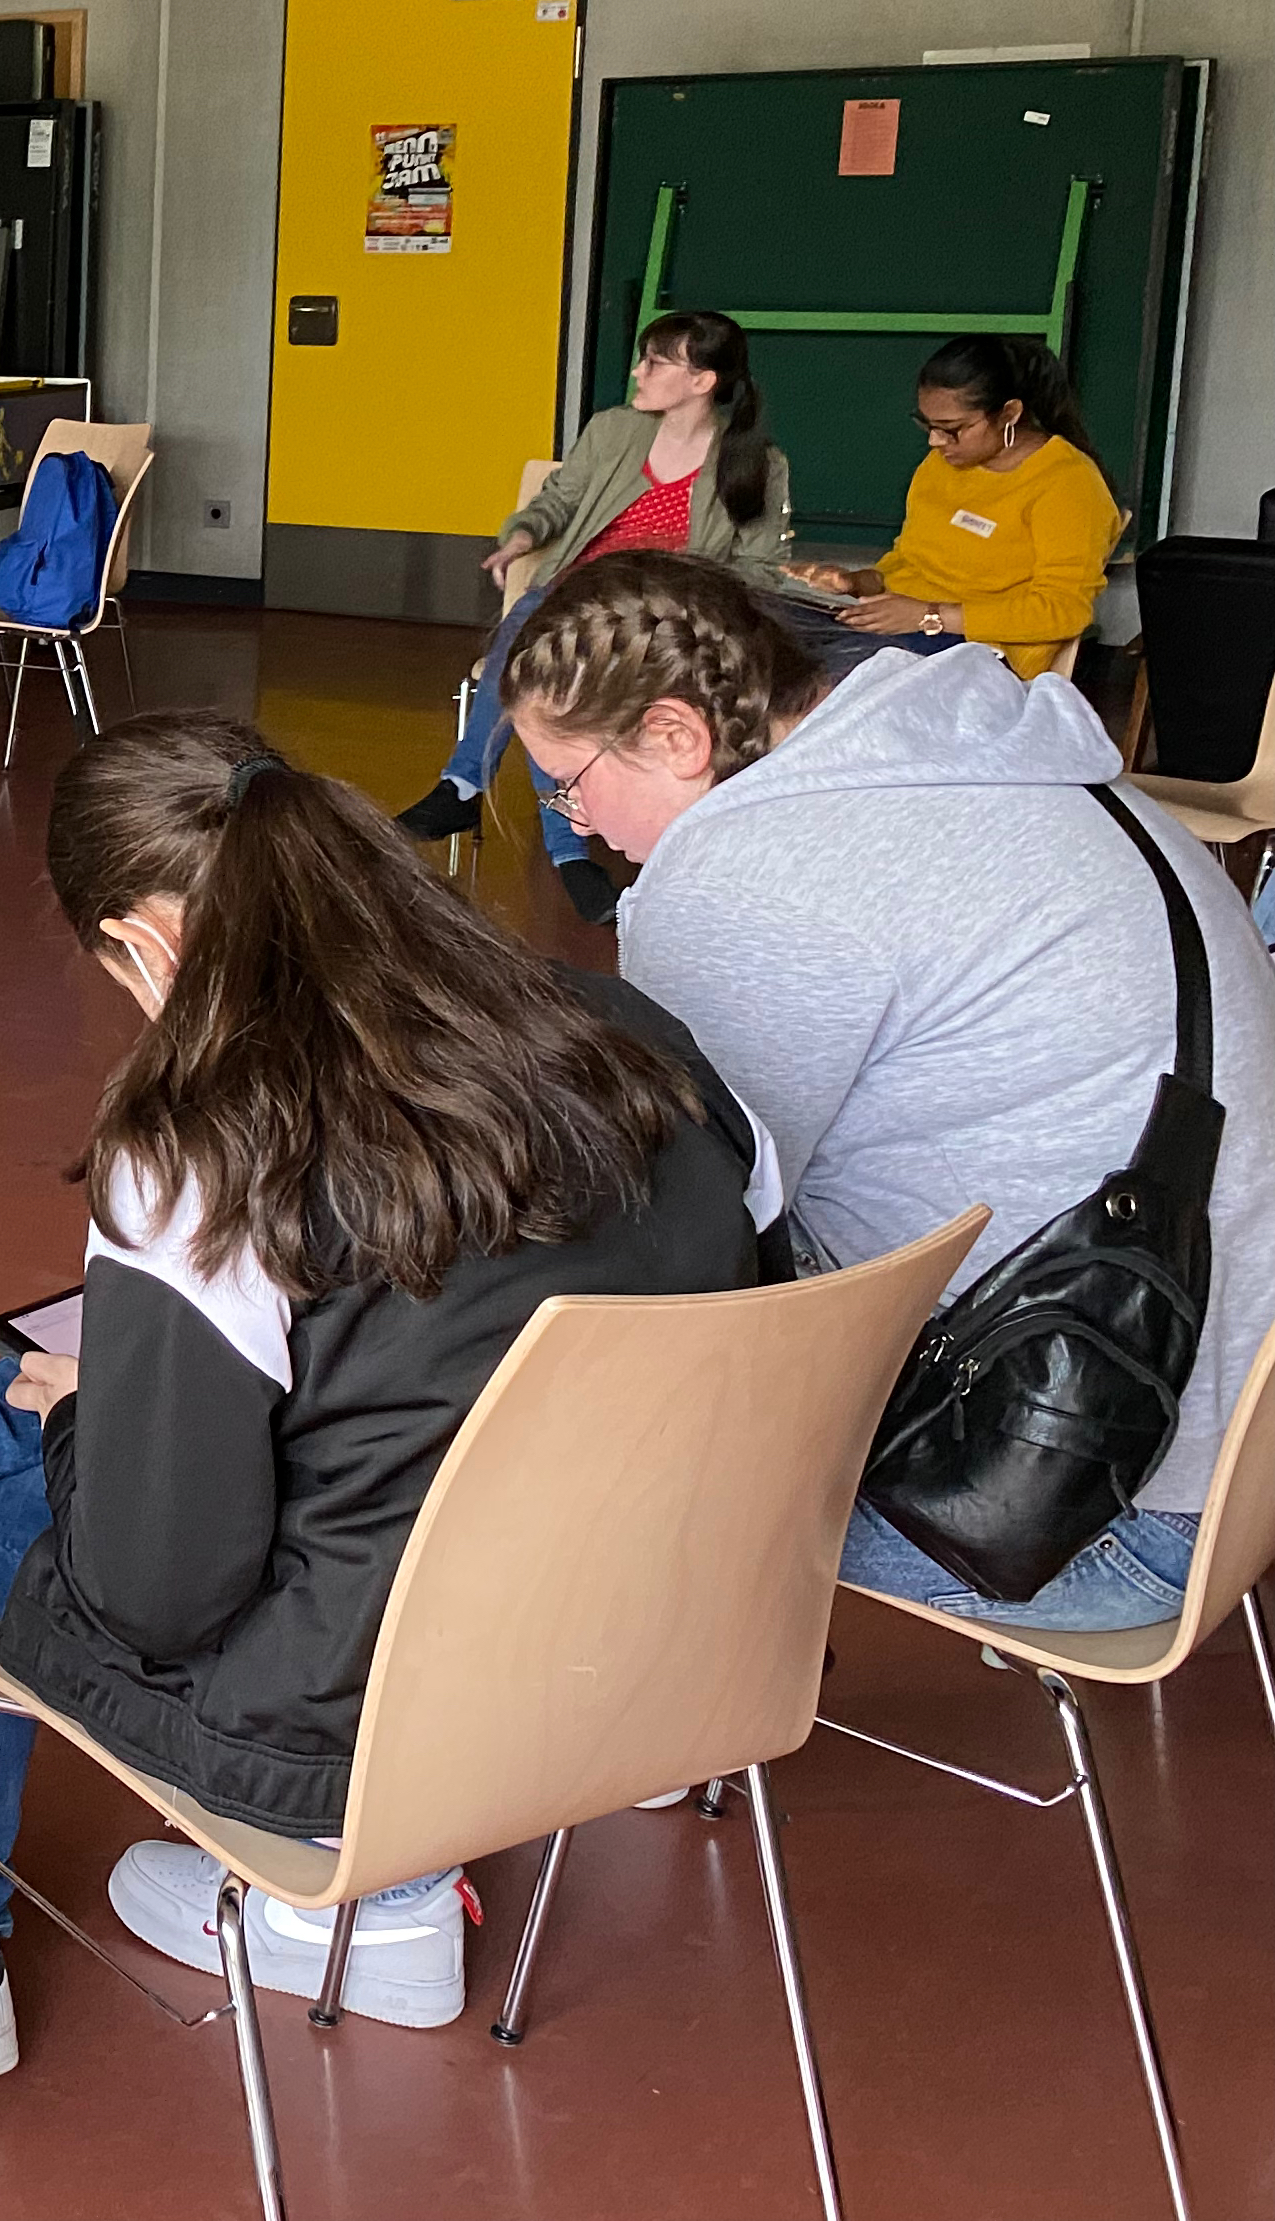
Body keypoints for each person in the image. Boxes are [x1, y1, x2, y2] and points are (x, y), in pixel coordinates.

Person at [0, 710, 762, 2076]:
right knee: (133, 1408)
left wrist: (97, 1416)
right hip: (666, 1658)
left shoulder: (204, 1144)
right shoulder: (630, 1032)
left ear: (149, 941)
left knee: (3, 1477)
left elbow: (156, 1591)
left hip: (370, 1739)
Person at [503, 552, 1275, 1633]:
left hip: (1081, 1508)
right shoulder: (1009, 751)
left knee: (496, 1468)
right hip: (1235, 1449)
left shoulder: (752, 870)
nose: (573, 824)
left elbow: (678, 1231)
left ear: (677, 735)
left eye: (568, 783)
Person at [395, 310, 789, 922]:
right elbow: (560, 500)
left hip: (660, 618)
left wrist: (686, 600)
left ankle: (482, 801)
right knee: (537, 641)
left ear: (701, 380)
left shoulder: (755, 462)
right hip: (578, 593)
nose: (639, 371)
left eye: (656, 361)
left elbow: (759, 568)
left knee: (559, 673)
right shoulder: (613, 431)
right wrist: (522, 536)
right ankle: (539, 834)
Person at [781, 331, 1119, 680]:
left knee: (814, 672)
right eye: (927, 425)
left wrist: (929, 616)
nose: (935, 440)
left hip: (983, 655)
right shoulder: (938, 467)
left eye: (952, 429)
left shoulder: (1068, 482)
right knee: (757, 630)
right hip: (907, 630)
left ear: (1009, 414)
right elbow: (910, 561)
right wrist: (857, 583)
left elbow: (1062, 611)